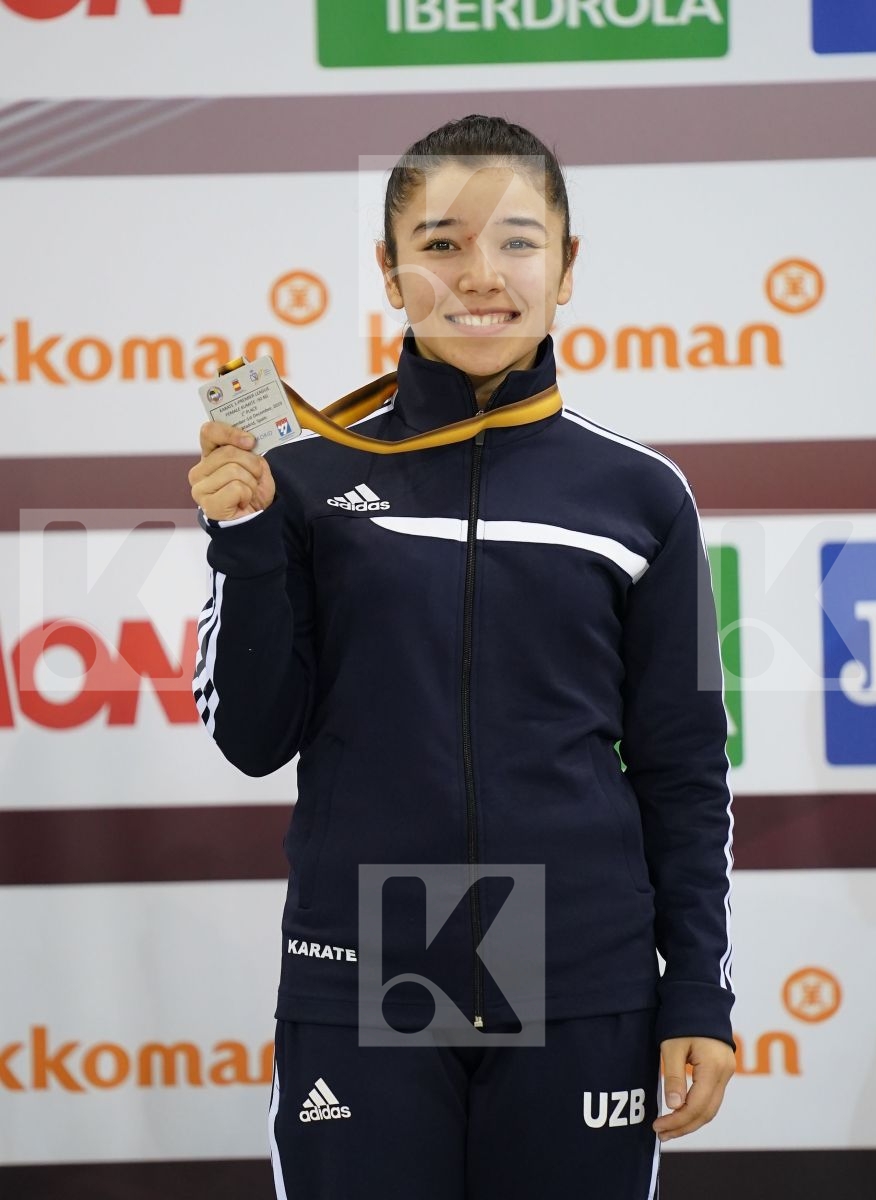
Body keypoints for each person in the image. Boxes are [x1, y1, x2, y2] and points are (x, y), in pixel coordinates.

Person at [188, 114, 735, 1200]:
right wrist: (246, 545)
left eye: (519, 241)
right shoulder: (296, 475)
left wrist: (699, 1002)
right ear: (392, 276)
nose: (482, 274)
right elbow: (252, 742)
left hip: (584, 961)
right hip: (371, 956)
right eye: (440, 244)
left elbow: (684, 771)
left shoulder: (640, 495)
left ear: (568, 269)